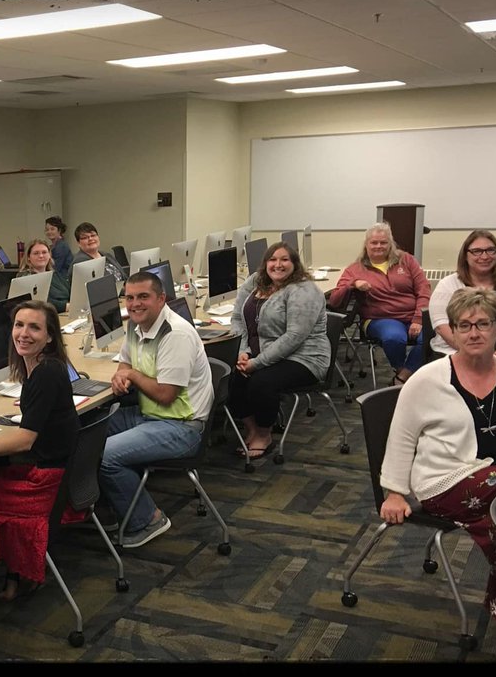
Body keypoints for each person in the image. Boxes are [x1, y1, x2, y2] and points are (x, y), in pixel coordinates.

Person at [379, 287, 496, 621]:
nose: (474, 332)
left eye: (483, 324)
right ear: (452, 332)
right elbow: (401, 436)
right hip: (445, 483)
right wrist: (394, 492)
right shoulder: (426, 380)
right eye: (465, 325)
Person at [0, 300, 80, 600]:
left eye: (34, 327)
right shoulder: (46, 367)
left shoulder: (45, 374)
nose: (23, 333)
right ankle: (12, 574)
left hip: (43, 482)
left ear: (49, 336)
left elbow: (24, 442)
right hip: (53, 471)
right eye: (19, 325)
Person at [98, 271, 213, 548]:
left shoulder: (175, 334)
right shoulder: (136, 326)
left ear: (161, 299)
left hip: (182, 426)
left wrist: (134, 376)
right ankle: (110, 510)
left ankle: (147, 519)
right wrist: (120, 374)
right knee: (86, 431)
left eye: (143, 297)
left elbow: (165, 394)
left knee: (103, 456)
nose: (135, 303)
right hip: (150, 416)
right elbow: (125, 362)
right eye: (130, 297)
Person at [228, 242, 330, 459]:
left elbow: (294, 337)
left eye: (285, 260)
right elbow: (237, 318)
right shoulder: (256, 282)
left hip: (305, 357)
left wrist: (256, 363)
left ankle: (265, 434)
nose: (278, 264)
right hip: (259, 353)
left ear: (294, 264)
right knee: (229, 376)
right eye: (273, 260)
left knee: (261, 382)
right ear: (265, 263)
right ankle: (252, 429)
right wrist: (243, 352)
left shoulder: (304, 290)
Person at [329, 222, 430, 385]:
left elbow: (423, 289)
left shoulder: (407, 260)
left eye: (383, 242)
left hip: (413, 316)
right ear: (366, 245)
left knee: (432, 338)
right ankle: (402, 372)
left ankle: (403, 377)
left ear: (391, 244)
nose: (379, 246)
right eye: (374, 242)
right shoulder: (355, 269)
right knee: (395, 338)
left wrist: (418, 319)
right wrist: (353, 283)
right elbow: (334, 301)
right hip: (379, 319)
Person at [428, 230, 496, 366]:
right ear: (465, 255)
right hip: (456, 352)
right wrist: (473, 351)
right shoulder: (447, 285)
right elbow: (441, 326)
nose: (485, 256)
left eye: (490, 250)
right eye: (477, 251)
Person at [16, 238, 70, 314]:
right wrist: (65, 306)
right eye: (36, 253)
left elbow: (68, 291)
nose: (41, 256)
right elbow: (41, 302)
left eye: (44, 252)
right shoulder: (25, 277)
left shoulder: (55, 275)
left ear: (49, 255)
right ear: (28, 257)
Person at [44, 215, 73, 280]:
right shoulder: (53, 246)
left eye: (52, 229)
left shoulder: (62, 246)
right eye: (47, 229)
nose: (49, 232)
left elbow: (56, 268)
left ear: (59, 230)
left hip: (63, 280)